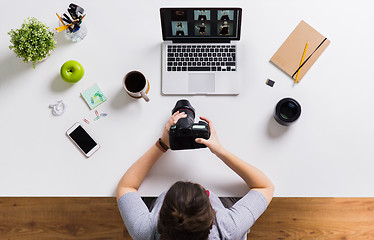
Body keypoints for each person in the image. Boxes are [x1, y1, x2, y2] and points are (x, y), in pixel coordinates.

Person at [116, 112, 274, 240]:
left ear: (160, 218)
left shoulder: (145, 231)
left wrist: (163, 144)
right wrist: (220, 150)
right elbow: (264, 186)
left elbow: (126, 186)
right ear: (213, 217)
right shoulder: (228, 228)